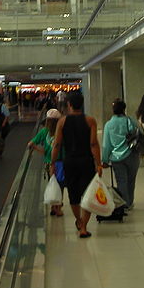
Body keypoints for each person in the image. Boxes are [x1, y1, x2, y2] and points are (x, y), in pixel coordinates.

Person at [51, 90, 101, 239]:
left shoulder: (62, 121)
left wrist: (52, 163)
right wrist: (99, 163)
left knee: (73, 194)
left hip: (70, 161)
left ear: (69, 104)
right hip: (86, 161)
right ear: (82, 104)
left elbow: (57, 144)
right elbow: (93, 144)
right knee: (88, 193)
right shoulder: (90, 121)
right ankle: (84, 227)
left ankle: (78, 220)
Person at [101, 98, 140, 209]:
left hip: (117, 158)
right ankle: (130, 202)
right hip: (132, 155)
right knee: (131, 180)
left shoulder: (109, 125)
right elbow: (138, 136)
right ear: (124, 109)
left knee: (121, 181)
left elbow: (106, 144)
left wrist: (104, 159)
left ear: (113, 110)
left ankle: (124, 204)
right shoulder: (130, 121)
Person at [28, 108, 63, 216]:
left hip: (49, 163)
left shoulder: (44, 131)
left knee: (51, 183)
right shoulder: (62, 131)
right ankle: (58, 207)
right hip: (60, 162)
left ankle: (53, 206)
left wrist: (39, 149)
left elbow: (31, 143)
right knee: (60, 185)